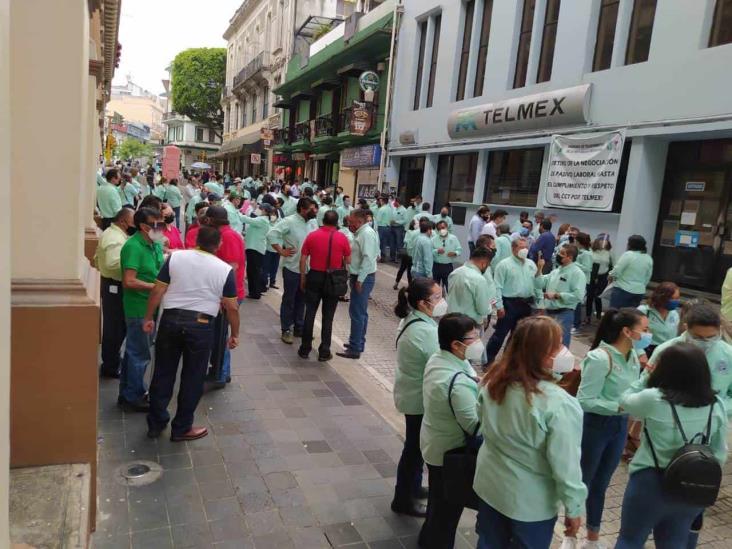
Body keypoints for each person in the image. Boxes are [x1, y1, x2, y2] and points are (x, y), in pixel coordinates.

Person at [476, 316, 586, 548]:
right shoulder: (558, 404)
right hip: (530, 502)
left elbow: (481, 423)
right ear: (541, 354)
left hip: (491, 486)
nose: (564, 350)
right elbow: (566, 465)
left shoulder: (493, 381)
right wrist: (574, 507)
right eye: (557, 345)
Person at [616, 343, 728, 548]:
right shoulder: (716, 404)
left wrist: (645, 377)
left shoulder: (653, 399)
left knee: (630, 539)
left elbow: (624, 400)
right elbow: (720, 452)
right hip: (693, 486)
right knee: (675, 541)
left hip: (650, 481)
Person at [143, 226, 240, 442]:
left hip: (170, 321)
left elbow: (158, 290)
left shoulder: (176, 258)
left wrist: (148, 317)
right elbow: (232, 307)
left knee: (163, 372)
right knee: (193, 376)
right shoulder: (224, 270)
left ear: (196, 239)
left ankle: (156, 423)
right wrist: (235, 334)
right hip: (201, 325)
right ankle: (182, 427)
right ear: (219, 245)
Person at [577, 308, 649, 548]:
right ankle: (569, 531)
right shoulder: (600, 358)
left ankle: (592, 537)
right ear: (627, 331)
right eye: (644, 330)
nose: (648, 335)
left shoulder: (634, 356)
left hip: (618, 428)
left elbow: (633, 390)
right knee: (582, 483)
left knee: (601, 485)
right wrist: (620, 407)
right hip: (595, 426)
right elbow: (585, 400)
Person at [418, 313, 481, 548]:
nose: (478, 342)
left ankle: (428, 538)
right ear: (456, 344)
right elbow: (475, 426)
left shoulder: (439, 358)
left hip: (434, 442)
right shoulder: (456, 382)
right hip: (449, 452)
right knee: (446, 511)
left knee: (438, 503)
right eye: (473, 338)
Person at [391, 278, 443, 518]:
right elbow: (441, 363)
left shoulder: (414, 320)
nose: (442, 302)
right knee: (414, 450)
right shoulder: (424, 331)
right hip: (418, 399)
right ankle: (402, 499)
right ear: (423, 303)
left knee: (416, 447)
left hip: (411, 393)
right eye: (437, 298)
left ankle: (412, 487)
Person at [118, 207, 165, 412]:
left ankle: (128, 391)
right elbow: (128, 281)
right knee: (140, 353)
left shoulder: (153, 245)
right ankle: (134, 396)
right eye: (158, 225)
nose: (161, 229)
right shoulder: (133, 247)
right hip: (138, 308)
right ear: (144, 227)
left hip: (152, 306)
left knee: (135, 351)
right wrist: (155, 288)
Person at [648, 302, 732, 416]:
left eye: (711, 337)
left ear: (720, 329)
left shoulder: (728, 354)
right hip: (670, 418)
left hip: (712, 419)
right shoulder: (665, 350)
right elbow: (647, 386)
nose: (705, 343)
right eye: (698, 337)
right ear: (686, 328)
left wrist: (717, 410)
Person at [298, 210, 351, 361]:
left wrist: (303, 276)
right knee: (328, 317)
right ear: (336, 222)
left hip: (314, 275)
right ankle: (324, 351)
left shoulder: (312, 235)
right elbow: (348, 260)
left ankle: (305, 348)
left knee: (310, 313)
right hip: (333, 279)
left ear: (323, 220)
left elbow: (302, 259)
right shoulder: (342, 237)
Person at [267, 197, 318, 344]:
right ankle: (286, 329)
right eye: (311, 209)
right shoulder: (289, 221)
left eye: (315, 208)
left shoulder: (313, 222)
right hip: (292, 267)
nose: (314, 211)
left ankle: (299, 327)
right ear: (302, 209)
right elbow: (272, 234)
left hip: (308, 268)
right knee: (289, 299)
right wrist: (281, 251)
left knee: (302, 299)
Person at [205, 206, 245, 388]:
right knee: (218, 335)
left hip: (227, 295)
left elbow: (232, 266)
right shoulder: (224, 234)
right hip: (222, 294)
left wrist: (223, 296)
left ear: (211, 220)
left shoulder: (227, 236)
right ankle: (221, 371)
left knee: (220, 335)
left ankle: (219, 375)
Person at [95, 206, 135, 378]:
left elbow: (97, 259)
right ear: (123, 221)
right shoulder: (114, 238)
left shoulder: (116, 235)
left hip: (112, 284)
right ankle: (110, 365)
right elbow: (112, 263)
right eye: (133, 221)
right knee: (115, 328)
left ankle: (112, 361)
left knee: (117, 327)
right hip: (114, 286)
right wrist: (134, 267)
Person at [484, 238, 538, 365]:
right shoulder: (504, 265)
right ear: (513, 248)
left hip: (526, 304)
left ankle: (507, 363)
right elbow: (497, 287)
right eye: (521, 247)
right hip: (509, 304)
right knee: (500, 335)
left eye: (526, 247)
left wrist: (539, 303)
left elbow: (537, 284)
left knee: (517, 337)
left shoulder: (531, 264)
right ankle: (488, 360)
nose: (524, 250)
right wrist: (499, 306)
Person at [337, 209, 379, 360]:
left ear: (359, 222)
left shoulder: (366, 234)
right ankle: (358, 342)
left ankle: (355, 348)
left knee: (357, 313)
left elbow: (368, 259)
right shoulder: (361, 233)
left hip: (363, 277)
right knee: (360, 313)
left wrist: (360, 279)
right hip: (358, 275)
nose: (349, 224)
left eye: (352, 222)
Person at [535, 244, 586, 347]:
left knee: (560, 345)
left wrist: (557, 295)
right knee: (544, 344)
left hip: (563, 314)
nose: (558, 255)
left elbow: (578, 296)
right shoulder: (556, 271)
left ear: (570, 257)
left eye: (562, 254)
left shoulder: (577, 273)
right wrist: (539, 269)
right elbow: (539, 283)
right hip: (548, 313)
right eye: (559, 252)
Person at [446, 247, 493, 328]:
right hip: (469, 325)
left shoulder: (455, 272)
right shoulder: (479, 280)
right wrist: (489, 306)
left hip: (451, 319)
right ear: (483, 263)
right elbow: (482, 309)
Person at [637, 282, 681, 358]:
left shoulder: (674, 314)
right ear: (662, 297)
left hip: (668, 351)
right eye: (672, 298)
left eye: (677, 298)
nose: (675, 301)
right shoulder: (644, 311)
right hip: (648, 351)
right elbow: (634, 334)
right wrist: (640, 353)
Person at [609, 235, 653, 309]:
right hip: (639, 292)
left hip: (623, 290)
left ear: (630, 245)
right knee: (631, 317)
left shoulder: (628, 255)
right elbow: (648, 277)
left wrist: (610, 276)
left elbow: (617, 271)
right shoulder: (648, 258)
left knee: (615, 315)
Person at [241, 203, 274, 300]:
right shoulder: (262, 220)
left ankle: (255, 293)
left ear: (264, 210)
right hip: (254, 248)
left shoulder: (262, 220)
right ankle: (254, 292)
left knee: (254, 271)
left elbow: (248, 220)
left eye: (260, 208)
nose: (258, 209)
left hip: (256, 248)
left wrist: (237, 214)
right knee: (252, 271)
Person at [587, 235, 613, 322]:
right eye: (602, 240)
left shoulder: (609, 253)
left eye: (606, 241)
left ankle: (598, 315)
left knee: (598, 296)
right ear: (597, 241)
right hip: (592, 275)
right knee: (590, 296)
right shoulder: (591, 251)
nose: (604, 242)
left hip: (603, 276)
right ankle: (588, 316)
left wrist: (610, 276)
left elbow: (613, 266)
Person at [431, 220, 461, 292]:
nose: (441, 230)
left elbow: (459, 249)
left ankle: (448, 301)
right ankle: (437, 301)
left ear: (447, 227)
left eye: (443, 228)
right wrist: (437, 251)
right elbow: (429, 251)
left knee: (448, 287)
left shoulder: (453, 238)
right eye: (439, 229)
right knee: (435, 287)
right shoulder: (433, 239)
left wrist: (455, 253)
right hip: (436, 266)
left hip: (447, 266)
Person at [573, 232, 593, 330]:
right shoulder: (579, 251)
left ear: (579, 241)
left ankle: (577, 325)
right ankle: (575, 323)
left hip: (584, 281)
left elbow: (588, 268)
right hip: (577, 279)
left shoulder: (586, 254)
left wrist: (574, 263)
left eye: (576, 240)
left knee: (578, 303)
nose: (574, 242)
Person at [394, 218, 418, 290]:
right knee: (406, 270)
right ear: (413, 225)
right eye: (417, 224)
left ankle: (397, 283)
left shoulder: (412, 232)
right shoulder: (411, 232)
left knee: (404, 269)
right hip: (408, 253)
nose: (418, 225)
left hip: (409, 253)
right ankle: (399, 283)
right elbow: (406, 241)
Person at [375, 196, 394, 262]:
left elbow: (378, 219)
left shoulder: (381, 209)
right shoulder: (390, 209)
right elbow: (392, 219)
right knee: (385, 243)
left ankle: (379, 256)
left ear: (382, 201)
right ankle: (383, 256)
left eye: (381, 201)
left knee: (379, 242)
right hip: (388, 227)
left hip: (381, 227)